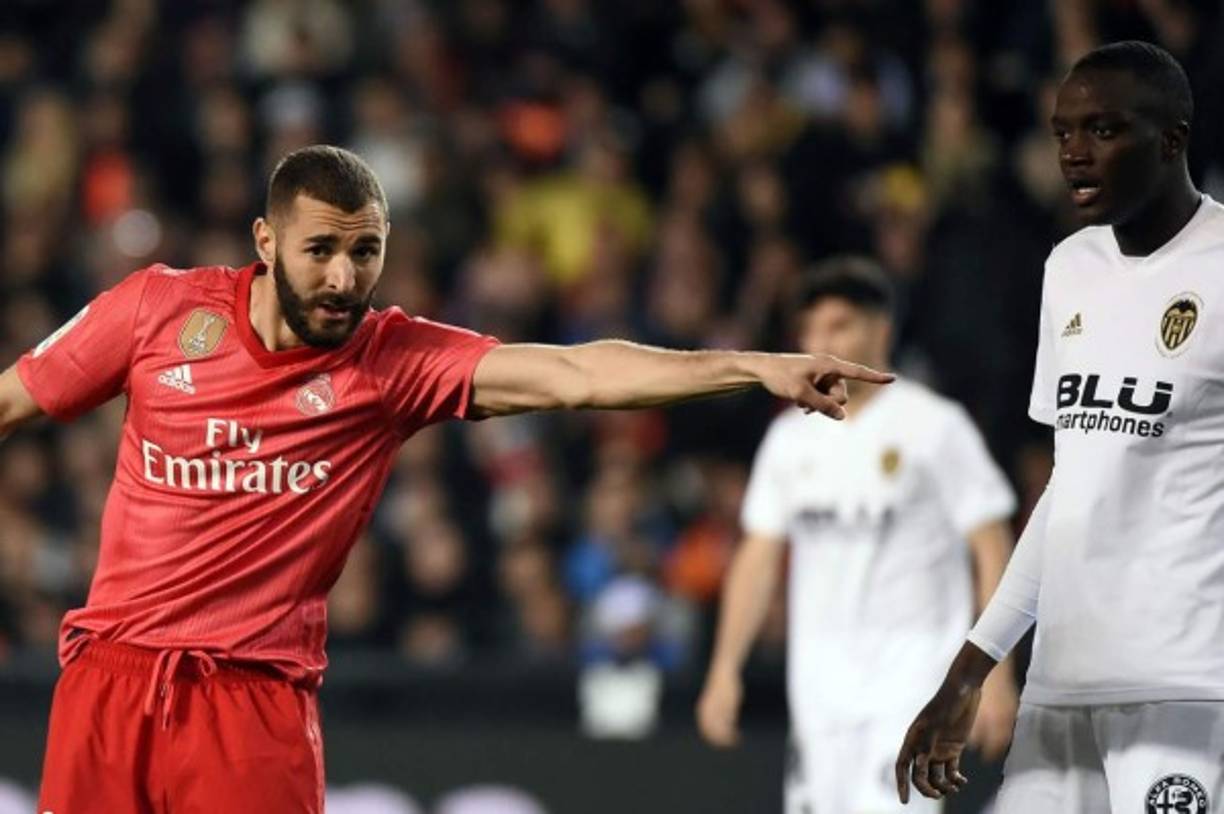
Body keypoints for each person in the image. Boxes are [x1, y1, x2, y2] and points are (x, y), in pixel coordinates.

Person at [0, 145, 891, 813]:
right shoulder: (158, 310)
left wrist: (754, 366)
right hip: (110, 681)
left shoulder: (392, 361)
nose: (345, 278)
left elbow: (578, 375)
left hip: (252, 699)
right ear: (265, 241)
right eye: (321, 251)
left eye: (366, 251)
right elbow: (11, 401)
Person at [896, 41, 1224, 813]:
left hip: (1186, 688)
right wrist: (970, 671)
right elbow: (1067, 492)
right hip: (1062, 684)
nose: (1075, 154)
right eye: (1063, 133)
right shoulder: (1069, 268)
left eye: (1103, 131)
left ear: (1172, 138)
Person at [696, 256, 1018, 814]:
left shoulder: (934, 427)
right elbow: (757, 557)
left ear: (881, 329)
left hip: (911, 688)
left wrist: (992, 675)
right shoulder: (789, 441)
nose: (821, 342)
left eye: (839, 326)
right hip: (819, 695)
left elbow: (991, 547)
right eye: (812, 329)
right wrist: (724, 669)